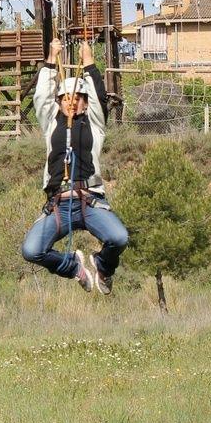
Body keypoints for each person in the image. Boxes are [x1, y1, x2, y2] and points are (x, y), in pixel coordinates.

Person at [20, 38, 130, 293]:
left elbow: (99, 94)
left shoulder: (95, 124)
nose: (71, 102)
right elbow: (41, 97)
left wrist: (89, 61)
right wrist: (50, 59)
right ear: (59, 101)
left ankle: (103, 264)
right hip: (59, 205)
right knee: (31, 250)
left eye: (77, 98)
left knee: (119, 238)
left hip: (89, 201)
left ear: (84, 101)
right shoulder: (51, 123)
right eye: (65, 98)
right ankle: (73, 267)